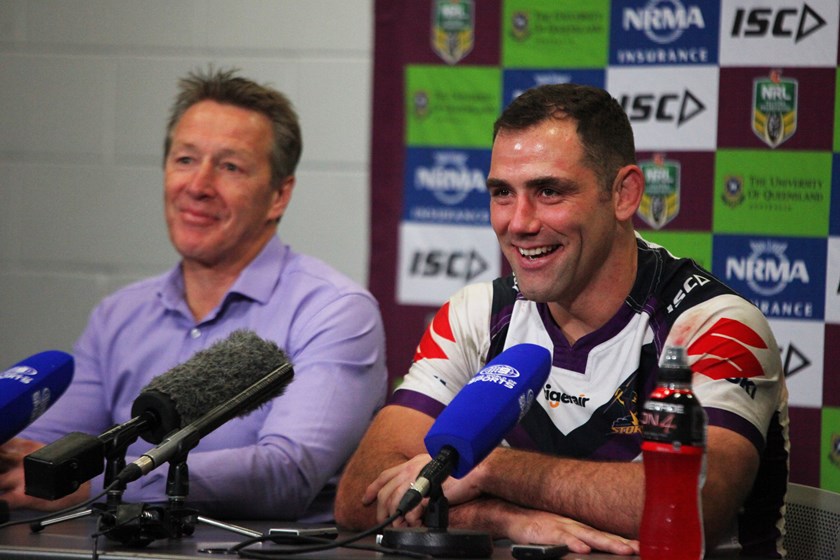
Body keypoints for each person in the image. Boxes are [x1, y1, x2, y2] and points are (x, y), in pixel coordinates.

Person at [334, 84, 789, 557]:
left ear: (624, 193)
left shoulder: (714, 326)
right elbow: (361, 496)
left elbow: (689, 506)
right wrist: (500, 517)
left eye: (549, 191)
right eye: (502, 193)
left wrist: (489, 470)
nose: (519, 222)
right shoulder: (475, 314)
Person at [0, 67, 388, 522]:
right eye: (185, 160)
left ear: (279, 195)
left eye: (229, 167)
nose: (198, 187)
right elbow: (48, 445)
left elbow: (286, 473)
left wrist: (99, 482)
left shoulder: (333, 311)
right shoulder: (120, 314)